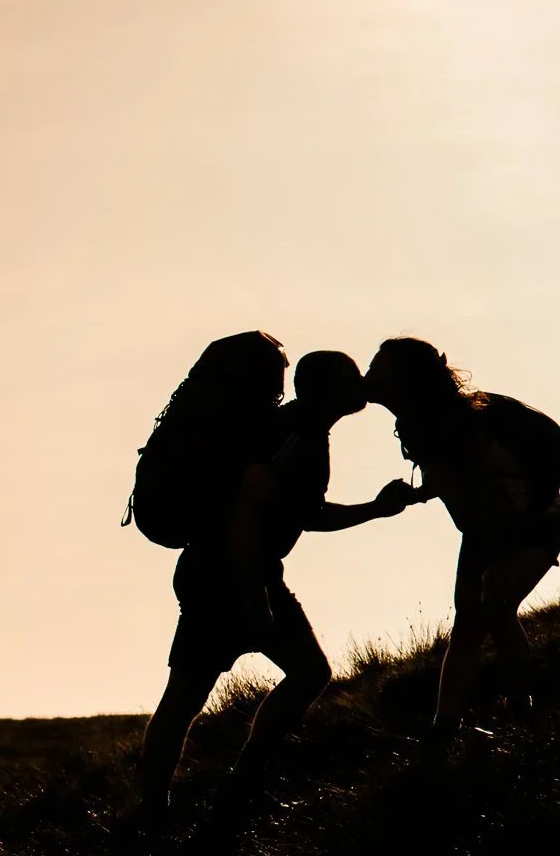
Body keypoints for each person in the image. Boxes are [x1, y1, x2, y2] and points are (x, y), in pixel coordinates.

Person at [137, 341, 414, 821]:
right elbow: (245, 514)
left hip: (227, 572)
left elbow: (306, 515)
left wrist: (376, 508)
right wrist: (255, 596)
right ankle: (196, 798)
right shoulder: (296, 435)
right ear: (326, 389)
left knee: (198, 692)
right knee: (201, 693)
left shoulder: (301, 431)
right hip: (230, 576)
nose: (361, 386)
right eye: (351, 378)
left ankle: (179, 802)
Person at [363, 337, 560, 745]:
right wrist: (421, 493)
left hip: (532, 525)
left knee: (494, 608)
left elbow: (479, 481)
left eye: (379, 369)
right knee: (469, 625)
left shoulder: (460, 423)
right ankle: (449, 727)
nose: (368, 376)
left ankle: (519, 712)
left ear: (406, 380)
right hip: (485, 531)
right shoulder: (425, 421)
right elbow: (460, 483)